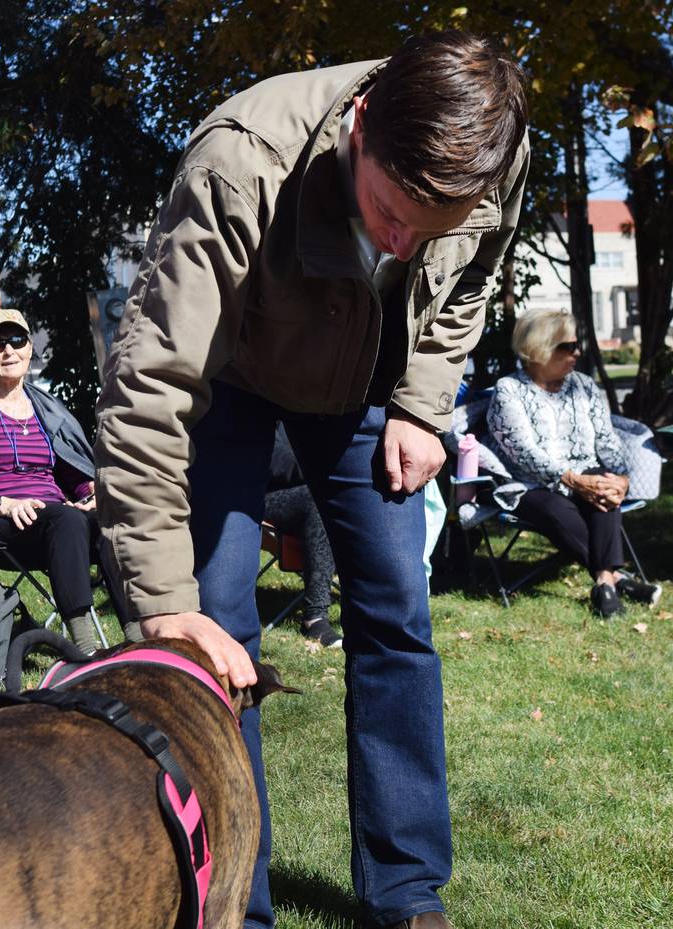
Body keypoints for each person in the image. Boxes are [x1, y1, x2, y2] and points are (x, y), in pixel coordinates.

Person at [95, 32, 530, 929]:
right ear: (360, 127)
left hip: (371, 376)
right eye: (389, 211)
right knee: (214, 634)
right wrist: (162, 595)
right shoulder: (239, 163)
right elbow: (151, 385)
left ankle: (407, 888)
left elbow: (473, 281)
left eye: (429, 228)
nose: (404, 242)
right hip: (230, 379)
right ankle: (232, 902)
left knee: (398, 611)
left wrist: (422, 404)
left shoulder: (500, 152)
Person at [0, 309, 132, 653]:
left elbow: (71, 472)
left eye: (17, 340)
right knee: (67, 519)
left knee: (109, 522)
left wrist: (89, 492)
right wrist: (2, 503)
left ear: (30, 348)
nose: (9, 351)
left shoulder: (45, 409)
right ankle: (86, 647)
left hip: (52, 519)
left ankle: (138, 636)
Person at [486, 309, 661, 617]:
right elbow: (523, 453)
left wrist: (621, 478)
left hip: (585, 472)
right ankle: (614, 579)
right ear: (539, 350)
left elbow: (606, 439)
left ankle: (604, 584)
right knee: (557, 510)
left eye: (576, 345)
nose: (577, 353)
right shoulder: (509, 391)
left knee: (604, 490)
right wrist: (573, 481)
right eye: (568, 347)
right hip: (529, 483)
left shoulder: (583, 385)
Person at [263, 425, 341, 647]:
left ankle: (373, 605)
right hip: (261, 496)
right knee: (317, 500)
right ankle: (315, 618)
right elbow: (273, 462)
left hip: (316, 489)